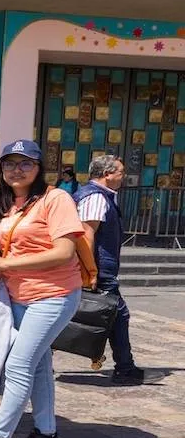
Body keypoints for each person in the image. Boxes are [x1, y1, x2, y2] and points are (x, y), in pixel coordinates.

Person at [0, 140, 83, 438]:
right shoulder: (11, 204)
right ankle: (46, 434)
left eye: (26, 163)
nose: (17, 169)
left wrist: (4, 265)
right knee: (39, 366)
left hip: (54, 295)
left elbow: (64, 251)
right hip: (18, 296)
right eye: (10, 163)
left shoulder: (56, 199)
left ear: (40, 169)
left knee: (18, 364)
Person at [74, 155, 151, 385]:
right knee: (118, 315)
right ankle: (124, 368)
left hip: (101, 267)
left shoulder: (101, 196)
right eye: (120, 171)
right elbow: (86, 235)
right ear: (106, 174)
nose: (123, 176)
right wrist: (91, 271)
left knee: (113, 315)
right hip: (99, 268)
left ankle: (125, 366)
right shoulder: (95, 197)